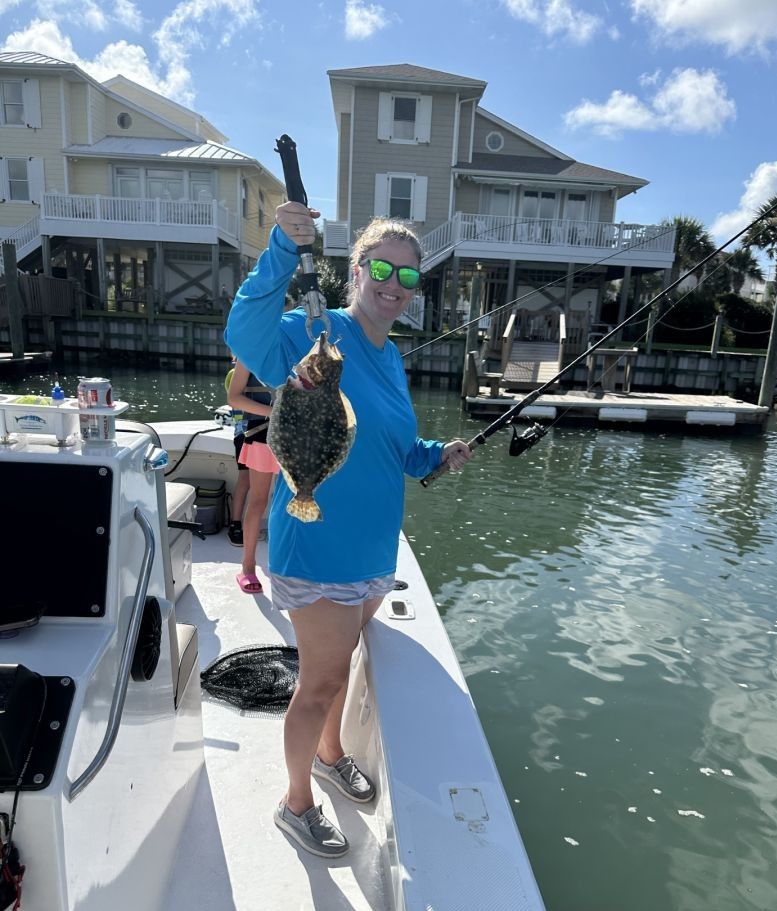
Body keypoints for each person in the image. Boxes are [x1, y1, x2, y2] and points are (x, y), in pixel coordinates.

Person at [225, 201, 472, 858]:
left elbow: (390, 442)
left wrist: (432, 454)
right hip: (319, 546)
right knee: (320, 683)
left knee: (341, 669)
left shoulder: (390, 357)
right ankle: (295, 801)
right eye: (382, 268)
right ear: (355, 270)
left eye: (409, 276)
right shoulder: (316, 334)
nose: (394, 284)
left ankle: (332, 754)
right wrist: (282, 246)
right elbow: (245, 333)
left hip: (370, 551)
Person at [227, 360, 279, 594]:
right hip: (262, 434)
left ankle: (288, 566)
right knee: (259, 499)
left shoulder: (300, 348)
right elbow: (234, 398)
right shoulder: (249, 354)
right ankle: (248, 567)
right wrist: (275, 412)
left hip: (297, 434)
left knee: (290, 502)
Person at [224, 357, 250, 547]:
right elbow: (234, 402)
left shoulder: (235, 373)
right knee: (245, 479)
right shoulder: (235, 374)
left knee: (246, 480)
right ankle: (235, 524)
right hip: (245, 433)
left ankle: (237, 524)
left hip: (245, 433)